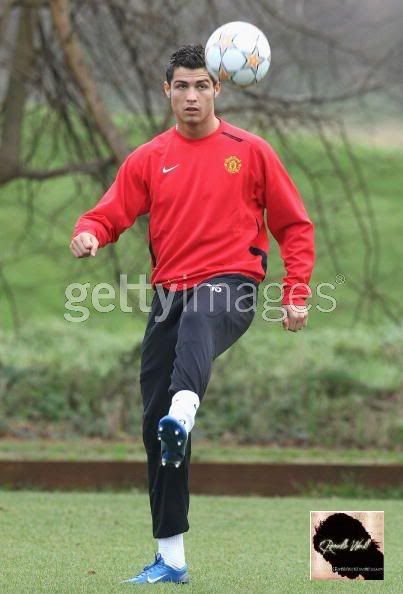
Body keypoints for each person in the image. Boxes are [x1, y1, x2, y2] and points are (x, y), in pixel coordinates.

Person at [70, 44, 315, 585]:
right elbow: (109, 212)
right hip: (168, 297)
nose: (191, 95)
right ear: (167, 92)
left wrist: (295, 291)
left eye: (202, 85)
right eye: (181, 86)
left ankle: (184, 411)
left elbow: (294, 225)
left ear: (217, 89)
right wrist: (89, 232)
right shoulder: (149, 157)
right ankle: (171, 557)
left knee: (202, 321)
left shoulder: (251, 152)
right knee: (154, 425)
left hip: (234, 285)